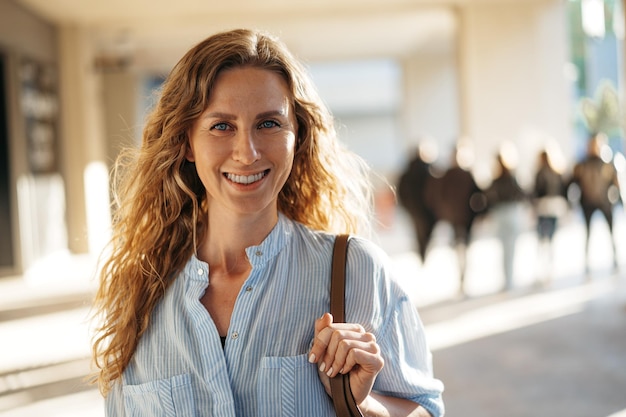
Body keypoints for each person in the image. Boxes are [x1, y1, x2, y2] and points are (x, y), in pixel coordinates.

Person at [91, 29, 444, 417]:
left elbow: (426, 410)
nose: (247, 152)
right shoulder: (141, 294)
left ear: (298, 136)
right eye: (222, 126)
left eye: (269, 124)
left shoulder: (355, 271)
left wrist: (358, 403)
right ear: (186, 142)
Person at [569, 132, 621, 274]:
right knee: (587, 233)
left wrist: (619, 200)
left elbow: (615, 183)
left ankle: (615, 258)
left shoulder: (607, 163)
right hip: (587, 203)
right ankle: (586, 263)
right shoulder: (582, 164)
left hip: (605, 202)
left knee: (611, 231)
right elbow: (573, 182)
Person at [484, 143, 527, 291]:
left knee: (505, 248)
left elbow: (488, 196)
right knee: (510, 248)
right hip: (509, 213)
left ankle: (507, 280)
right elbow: (522, 193)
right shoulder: (511, 176)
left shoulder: (498, 179)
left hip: (502, 213)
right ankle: (509, 279)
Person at [531, 147, 567, 284]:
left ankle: (543, 270)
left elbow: (536, 191)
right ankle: (549, 269)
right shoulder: (556, 171)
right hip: (555, 208)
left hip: (544, 208)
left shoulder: (540, 172)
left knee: (542, 240)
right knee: (551, 239)